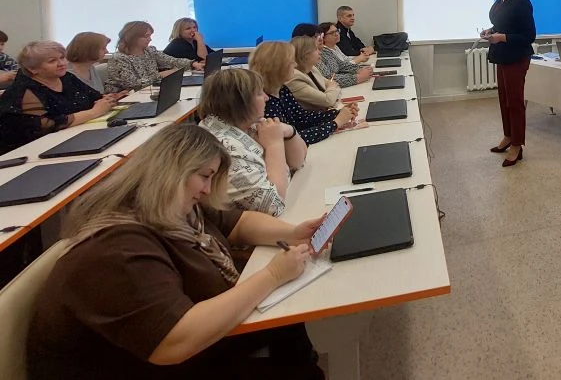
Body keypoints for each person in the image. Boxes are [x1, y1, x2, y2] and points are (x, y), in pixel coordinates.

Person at [26, 123, 324, 379]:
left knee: (288, 322)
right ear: (171, 172)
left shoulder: (172, 206)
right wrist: (272, 275)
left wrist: (292, 233)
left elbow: (238, 223)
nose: (207, 190)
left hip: (170, 348)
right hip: (146, 363)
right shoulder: (117, 248)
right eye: (205, 176)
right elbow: (173, 342)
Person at [198, 69, 306, 216]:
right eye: (260, 93)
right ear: (239, 102)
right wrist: (274, 145)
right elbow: (274, 205)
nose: (267, 98)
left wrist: (289, 131)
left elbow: (298, 161)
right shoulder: (225, 150)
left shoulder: (248, 122)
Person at [0, 41, 116, 155]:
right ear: (33, 69)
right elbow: (49, 126)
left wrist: (107, 100)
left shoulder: (67, 77)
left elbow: (96, 98)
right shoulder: (24, 91)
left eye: (62, 58)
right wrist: (94, 112)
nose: (61, 63)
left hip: (75, 138)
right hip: (30, 152)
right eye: (52, 61)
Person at [249, 41, 357, 145]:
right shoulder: (265, 103)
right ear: (279, 67)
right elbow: (291, 140)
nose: (295, 64)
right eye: (291, 61)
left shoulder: (282, 90)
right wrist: (335, 123)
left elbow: (302, 118)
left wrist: (338, 113)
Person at [482, 0, 536, 168]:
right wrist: (490, 30)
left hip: (516, 57)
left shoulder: (521, 2)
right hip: (502, 55)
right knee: (504, 99)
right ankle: (507, 136)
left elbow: (529, 36)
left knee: (515, 102)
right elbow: (502, 23)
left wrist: (502, 37)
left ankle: (517, 145)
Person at [105, 21, 202, 94]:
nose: (150, 39)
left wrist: (192, 63)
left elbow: (171, 61)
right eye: (146, 36)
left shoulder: (150, 51)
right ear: (133, 38)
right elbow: (133, 84)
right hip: (124, 99)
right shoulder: (119, 58)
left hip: (149, 92)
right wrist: (160, 75)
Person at [286, 36, 343, 111]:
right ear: (306, 54)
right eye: (316, 49)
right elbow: (328, 100)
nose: (320, 52)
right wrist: (331, 89)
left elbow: (333, 85)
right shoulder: (294, 78)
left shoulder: (312, 69)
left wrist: (331, 91)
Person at [316, 23, 373, 87]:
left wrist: (359, 69)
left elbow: (342, 65)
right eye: (332, 33)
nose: (337, 34)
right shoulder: (318, 55)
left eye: (337, 31)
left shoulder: (327, 50)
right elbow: (328, 78)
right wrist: (357, 77)